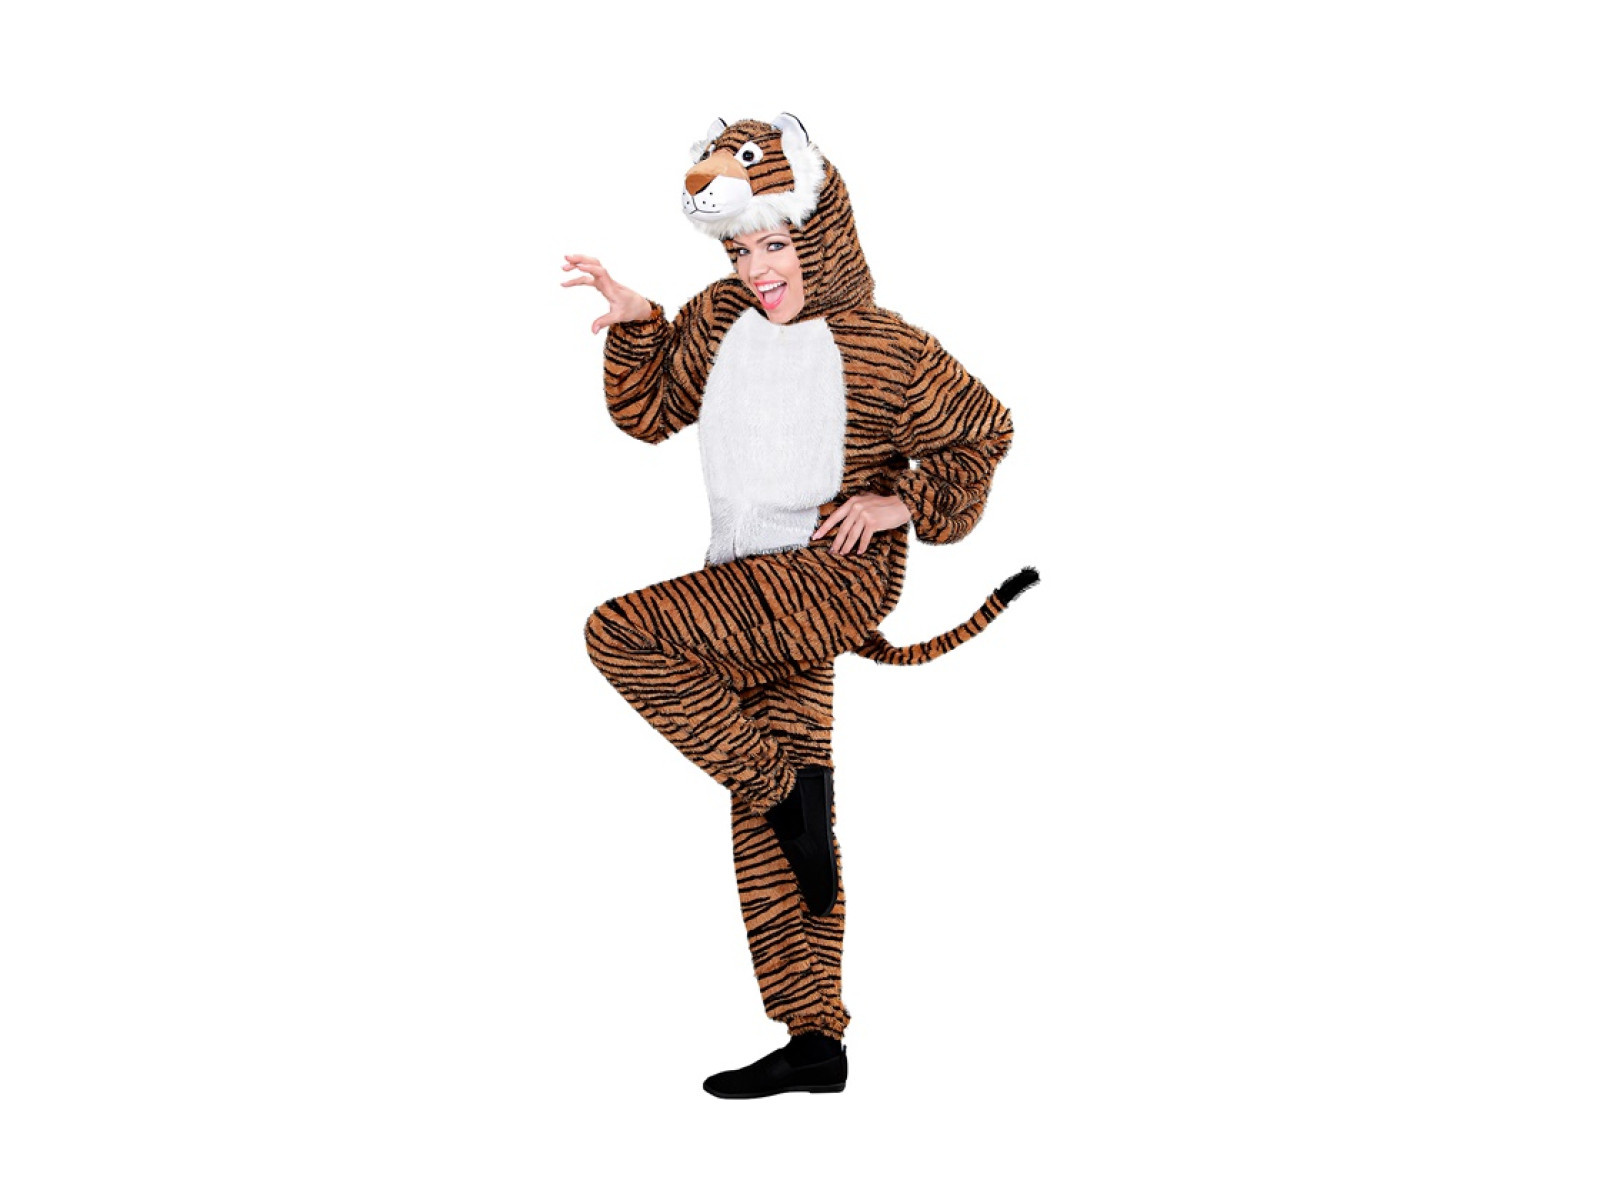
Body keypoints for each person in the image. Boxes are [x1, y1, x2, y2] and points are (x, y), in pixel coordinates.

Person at [565, 114, 1031, 1098]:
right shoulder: (719, 318)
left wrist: (903, 500)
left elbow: (983, 432)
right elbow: (648, 414)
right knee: (775, 827)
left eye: (773, 245)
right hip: (746, 587)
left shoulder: (885, 346)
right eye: (739, 250)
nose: (757, 269)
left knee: (622, 634)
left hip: (828, 579)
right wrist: (638, 323)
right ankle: (816, 1038)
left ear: (817, 235)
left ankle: (782, 784)